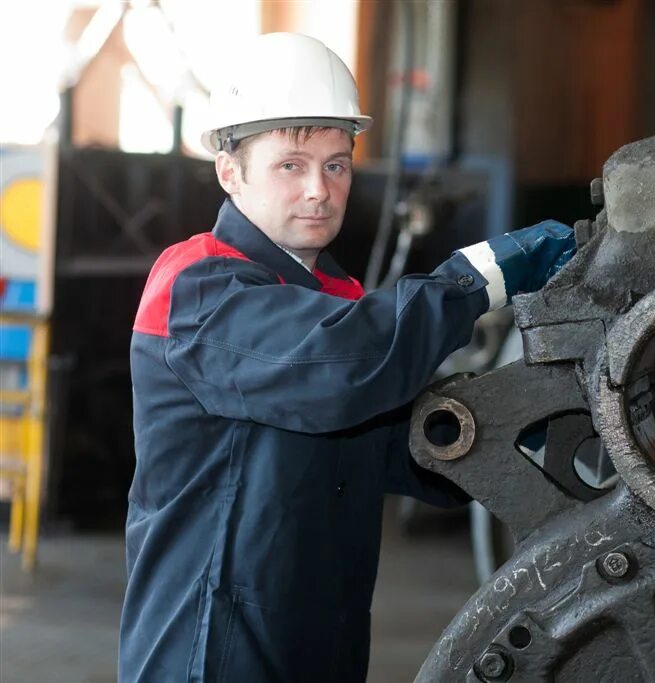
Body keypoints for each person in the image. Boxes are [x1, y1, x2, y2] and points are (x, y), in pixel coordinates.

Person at [119, 32, 576, 682]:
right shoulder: (197, 286)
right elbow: (339, 368)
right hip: (210, 652)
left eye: (336, 164)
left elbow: (408, 446)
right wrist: (480, 276)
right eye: (291, 164)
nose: (319, 189)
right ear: (230, 171)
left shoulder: (334, 298)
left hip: (317, 648)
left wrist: (547, 423)